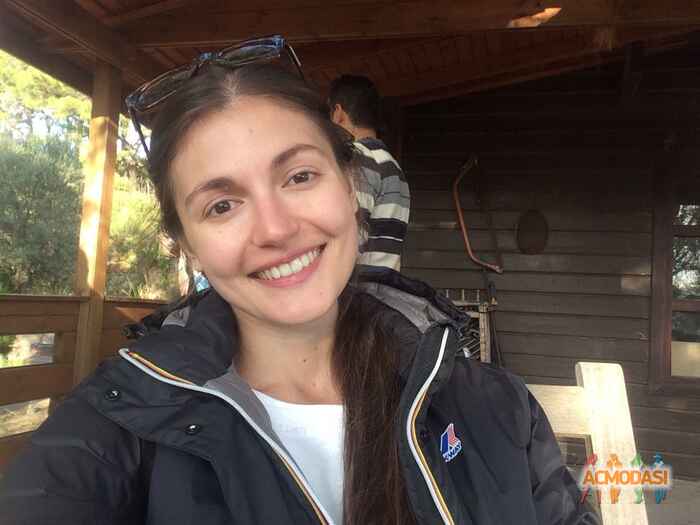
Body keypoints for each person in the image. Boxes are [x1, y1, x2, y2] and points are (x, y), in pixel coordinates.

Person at [0, 36, 598, 525]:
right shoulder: (115, 429)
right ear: (188, 245)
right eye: (222, 206)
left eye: (299, 176)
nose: (276, 229)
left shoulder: (495, 409)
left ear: (350, 186)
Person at [328, 75, 410, 274]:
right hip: (382, 284)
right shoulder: (391, 165)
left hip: (358, 286)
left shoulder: (358, 157)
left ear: (338, 113)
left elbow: (352, 236)